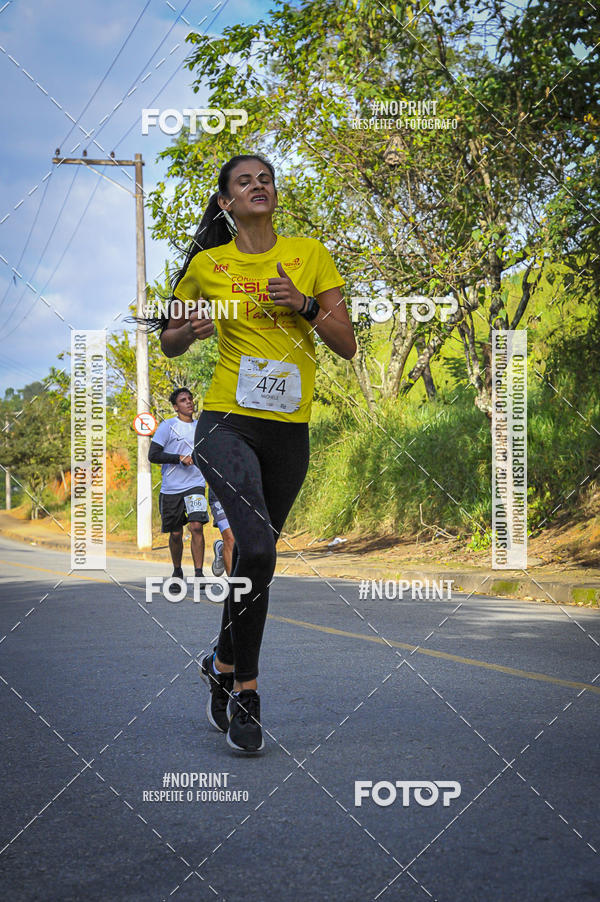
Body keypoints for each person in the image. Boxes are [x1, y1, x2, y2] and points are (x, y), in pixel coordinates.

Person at [159, 154, 356, 753]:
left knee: (256, 559)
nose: (258, 186)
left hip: (288, 430)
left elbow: (346, 343)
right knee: (261, 546)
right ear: (226, 202)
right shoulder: (206, 265)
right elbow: (168, 337)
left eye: (265, 179)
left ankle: (220, 661)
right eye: (245, 182)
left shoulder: (310, 254)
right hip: (225, 423)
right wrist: (184, 333)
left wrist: (301, 304)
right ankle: (246, 691)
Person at [148, 388, 234, 586]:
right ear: (176, 406)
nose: (189, 402)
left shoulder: (200, 428)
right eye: (183, 400)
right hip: (171, 489)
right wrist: (178, 458)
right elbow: (153, 455)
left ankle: (198, 573)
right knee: (176, 533)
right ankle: (177, 570)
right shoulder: (167, 426)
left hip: (195, 485)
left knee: (196, 527)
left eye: (190, 399)